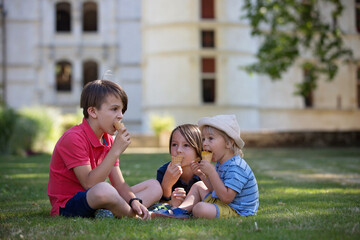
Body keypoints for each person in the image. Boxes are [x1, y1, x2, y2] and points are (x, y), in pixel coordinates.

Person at [47, 80, 162, 220]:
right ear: (93, 111)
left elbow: (119, 183)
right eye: (114, 109)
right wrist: (115, 151)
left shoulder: (108, 139)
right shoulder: (73, 138)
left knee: (154, 186)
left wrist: (134, 201)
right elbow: (90, 184)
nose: (120, 116)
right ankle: (135, 215)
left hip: (99, 197)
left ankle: (114, 210)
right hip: (69, 204)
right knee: (104, 189)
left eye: (122, 110)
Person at [151, 115, 259, 219]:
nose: (205, 144)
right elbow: (215, 190)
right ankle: (178, 211)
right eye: (203, 139)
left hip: (237, 211)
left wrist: (212, 172)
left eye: (210, 139)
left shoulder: (236, 167)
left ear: (228, 143)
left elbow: (226, 198)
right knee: (198, 185)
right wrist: (202, 175)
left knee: (200, 208)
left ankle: (183, 212)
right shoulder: (222, 163)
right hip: (224, 204)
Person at [156, 124, 204, 207]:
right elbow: (162, 204)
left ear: (198, 151)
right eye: (174, 145)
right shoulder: (164, 171)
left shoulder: (205, 172)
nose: (178, 150)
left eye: (186, 145)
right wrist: (167, 185)